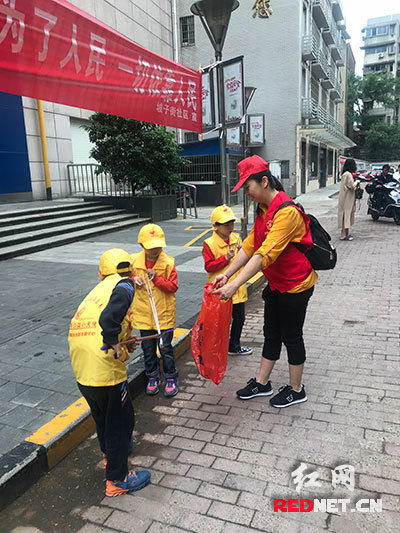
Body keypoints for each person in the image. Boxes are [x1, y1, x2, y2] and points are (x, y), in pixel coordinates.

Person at [214, 155, 317, 408]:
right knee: (271, 333)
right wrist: (227, 273)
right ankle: (262, 383)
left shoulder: (287, 212)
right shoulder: (262, 210)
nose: (246, 193)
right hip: (277, 284)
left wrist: (235, 285)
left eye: (247, 187)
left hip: (296, 284)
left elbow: (264, 254)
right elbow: (250, 246)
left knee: (291, 336)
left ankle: (296, 389)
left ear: (263, 181)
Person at [68, 248, 150, 497]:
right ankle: (117, 480)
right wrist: (112, 336)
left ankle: (109, 457)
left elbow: (105, 329)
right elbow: (108, 321)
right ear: (131, 271)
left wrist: (123, 342)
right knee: (121, 422)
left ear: (100, 274)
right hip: (105, 373)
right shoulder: (124, 285)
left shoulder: (97, 291)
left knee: (103, 418)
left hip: (83, 369)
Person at [132, 224, 179, 397]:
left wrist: (157, 279)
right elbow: (126, 280)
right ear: (142, 245)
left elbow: (173, 287)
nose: (155, 250)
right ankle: (152, 376)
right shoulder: (134, 263)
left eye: (158, 246)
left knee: (165, 348)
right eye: (151, 247)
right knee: (148, 349)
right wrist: (133, 280)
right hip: (144, 316)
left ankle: (171, 376)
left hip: (164, 316)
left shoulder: (168, 263)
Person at [202, 205, 252, 356]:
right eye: (226, 224)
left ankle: (234, 346)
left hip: (237, 287)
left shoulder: (236, 238)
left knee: (239, 319)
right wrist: (226, 258)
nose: (230, 227)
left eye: (231, 223)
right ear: (215, 226)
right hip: (221, 289)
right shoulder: (209, 243)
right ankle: (216, 348)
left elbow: (245, 256)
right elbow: (209, 267)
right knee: (220, 322)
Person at [338, 158, 360, 241]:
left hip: (343, 197)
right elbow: (351, 186)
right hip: (348, 198)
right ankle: (344, 234)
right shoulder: (348, 174)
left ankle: (344, 233)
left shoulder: (344, 174)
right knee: (347, 214)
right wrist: (357, 182)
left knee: (344, 214)